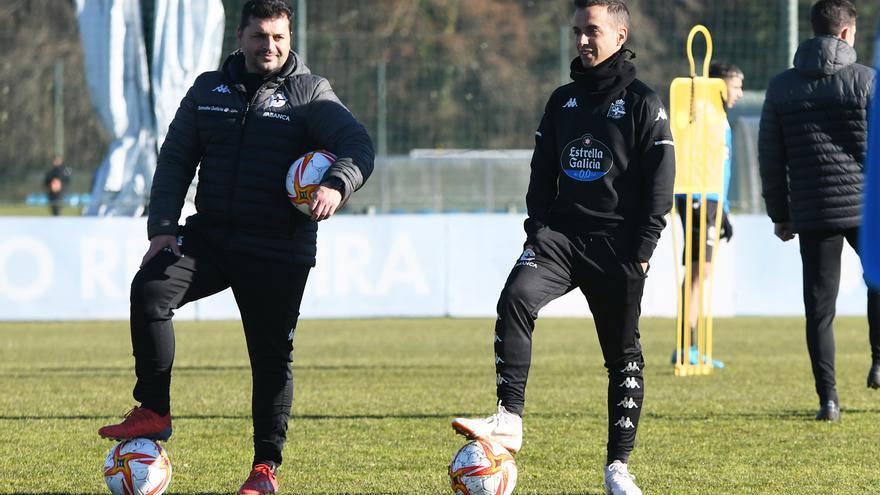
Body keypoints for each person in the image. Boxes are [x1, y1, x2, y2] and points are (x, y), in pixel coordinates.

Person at [97, 1, 374, 493]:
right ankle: (153, 409)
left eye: (279, 39)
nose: (269, 47)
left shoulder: (310, 93)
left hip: (278, 248)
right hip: (212, 238)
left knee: (269, 359)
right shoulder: (208, 90)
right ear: (240, 36)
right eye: (260, 36)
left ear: (291, 40)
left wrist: (336, 183)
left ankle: (264, 469)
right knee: (150, 290)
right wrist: (162, 227)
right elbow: (176, 157)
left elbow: (357, 143)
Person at [451, 1, 675, 494]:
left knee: (622, 356)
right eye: (576, 31)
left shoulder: (643, 103)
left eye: (592, 30)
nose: (582, 41)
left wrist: (643, 247)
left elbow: (662, 180)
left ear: (619, 34)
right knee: (515, 298)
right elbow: (541, 169)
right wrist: (537, 228)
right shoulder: (562, 102)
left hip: (618, 247)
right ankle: (509, 418)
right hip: (559, 240)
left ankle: (618, 467)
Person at [759, 0, 878, 422]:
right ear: (846, 33)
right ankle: (878, 359)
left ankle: (828, 400)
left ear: (814, 31)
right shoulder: (869, 81)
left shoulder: (781, 86)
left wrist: (780, 214)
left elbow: (772, 157)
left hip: (813, 211)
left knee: (819, 308)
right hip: (867, 207)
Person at [673, 62, 744, 367]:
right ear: (719, 85)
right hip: (699, 197)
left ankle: (689, 344)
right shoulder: (701, 112)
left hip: (713, 199)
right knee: (698, 271)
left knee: (702, 271)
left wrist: (724, 209)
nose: (739, 93)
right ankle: (686, 343)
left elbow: (720, 167)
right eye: (736, 86)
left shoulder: (719, 116)